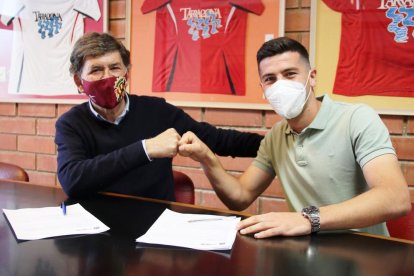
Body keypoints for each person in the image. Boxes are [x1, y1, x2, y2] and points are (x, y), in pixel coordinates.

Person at [178, 37, 411, 237]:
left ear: (312, 77)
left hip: (365, 254)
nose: (280, 85)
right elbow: (239, 197)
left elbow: (395, 198)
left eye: (290, 74)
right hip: (307, 251)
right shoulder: (275, 137)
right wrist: (207, 159)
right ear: (263, 88)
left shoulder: (357, 118)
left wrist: (307, 219)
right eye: (270, 79)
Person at [55, 32, 263, 200]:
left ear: (126, 73)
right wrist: (146, 149)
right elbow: (73, 180)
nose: (108, 77)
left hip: (156, 228)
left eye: (115, 68)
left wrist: (274, 145)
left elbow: (218, 140)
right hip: (95, 232)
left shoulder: (157, 111)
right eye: (96, 70)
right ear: (79, 82)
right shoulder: (71, 123)